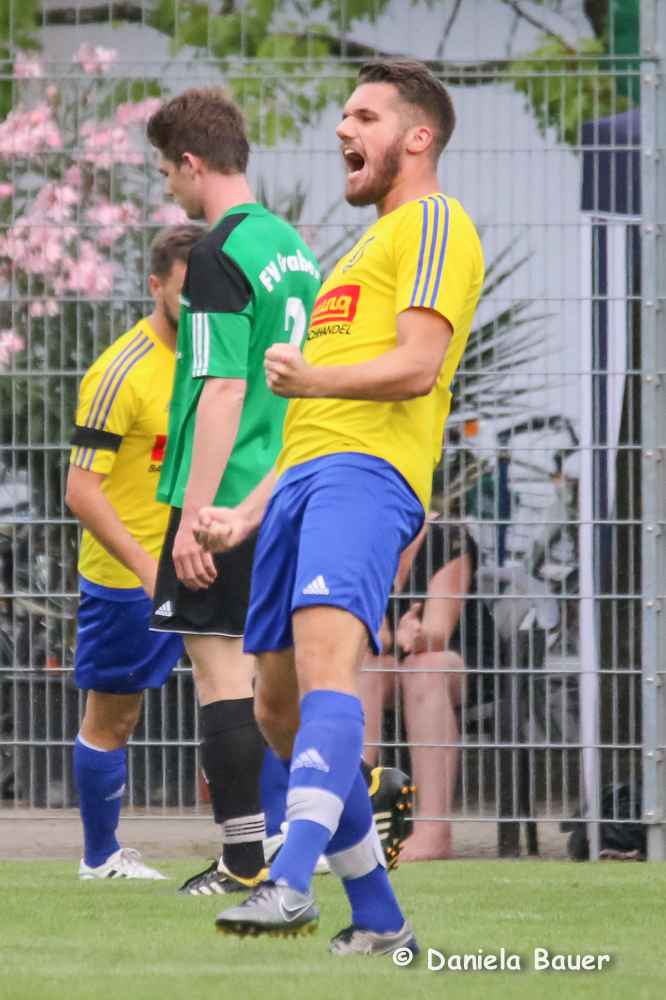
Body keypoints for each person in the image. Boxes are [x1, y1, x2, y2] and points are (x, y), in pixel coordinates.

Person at [196, 60, 484, 956]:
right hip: (302, 485)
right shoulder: (357, 252)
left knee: (327, 671)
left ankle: (289, 884)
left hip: (366, 477)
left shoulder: (434, 222)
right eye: (343, 116)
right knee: (277, 708)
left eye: (364, 116)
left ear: (418, 136)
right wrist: (248, 511)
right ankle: (382, 920)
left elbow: (419, 366)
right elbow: (309, 418)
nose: (341, 129)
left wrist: (313, 377)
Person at [144, 89, 321, 895]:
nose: (169, 188)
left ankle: (245, 861)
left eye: (166, 171)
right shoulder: (293, 247)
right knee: (282, 687)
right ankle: (333, 821)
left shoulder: (218, 253)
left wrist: (195, 518)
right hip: (286, 482)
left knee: (221, 675)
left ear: (191, 162)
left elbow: (221, 386)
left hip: (226, 497)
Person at [67, 224, 202, 879]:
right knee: (114, 719)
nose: (201, 304)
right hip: (129, 579)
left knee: (260, 696)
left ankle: (271, 840)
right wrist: (150, 571)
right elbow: (80, 491)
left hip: (208, 562)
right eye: (187, 290)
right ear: (155, 287)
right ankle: (100, 859)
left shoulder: (223, 358)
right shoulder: (120, 371)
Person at [360, 512, 489, 862]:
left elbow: (437, 634)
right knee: (366, 665)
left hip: (453, 659)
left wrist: (411, 636)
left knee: (423, 666)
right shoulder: (359, 537)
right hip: (390, 661)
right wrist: (388, 635)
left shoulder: (449, 538)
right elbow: (375, 638)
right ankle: (352, 812)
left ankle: (434, 832)